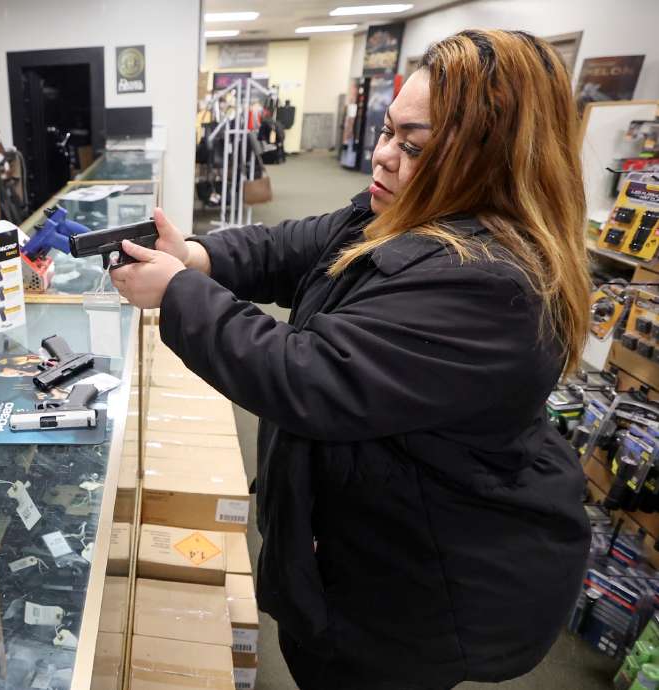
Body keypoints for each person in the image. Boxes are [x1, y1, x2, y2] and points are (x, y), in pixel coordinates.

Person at [112, 30, 591, 689]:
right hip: (365, 545)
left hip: (415, 589)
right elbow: (290, 246)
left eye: (413, 145)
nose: (383, 156)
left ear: (492, 161)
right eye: (389, 131)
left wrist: (177, 293)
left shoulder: (494, 287)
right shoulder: (408, 214)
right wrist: (198, 257)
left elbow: (307, 374)